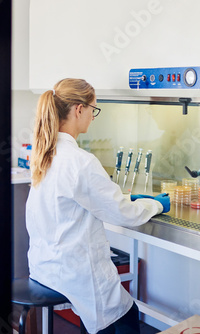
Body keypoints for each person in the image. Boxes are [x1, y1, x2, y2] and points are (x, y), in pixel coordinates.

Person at [26, 78, 170, 334]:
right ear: (79, 109)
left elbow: (84, 202)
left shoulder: (44, 154)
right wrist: (155, 205)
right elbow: (124, 214)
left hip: (44, 265)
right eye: (94, 109)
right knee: (125, 314)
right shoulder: (80, 161)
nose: (94, 116)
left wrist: (125, 199)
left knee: (98, 314)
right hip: (74, 270)